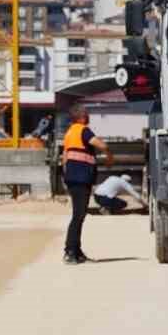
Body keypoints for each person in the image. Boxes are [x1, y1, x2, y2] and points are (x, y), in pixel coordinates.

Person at [61, 105, 109, 264]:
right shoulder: (83, 130)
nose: (88, 116)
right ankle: (69, 251)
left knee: (79, 215)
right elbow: (101, 145)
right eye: (86, 114)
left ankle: (77, 252)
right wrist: (110, 156)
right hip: (81, 178)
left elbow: (65, 157)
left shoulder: (69, 133)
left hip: (73, 178)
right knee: (78, 216)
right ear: (80, 117)